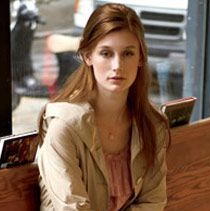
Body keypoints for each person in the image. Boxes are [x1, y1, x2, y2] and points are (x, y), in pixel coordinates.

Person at [37, 3, 170, 211]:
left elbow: (154, 202)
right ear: (87, 56)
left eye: (127, 54)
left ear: (141, 58)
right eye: (106, 53)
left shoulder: (151, 125)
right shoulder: (64, 128)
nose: (117, 65)